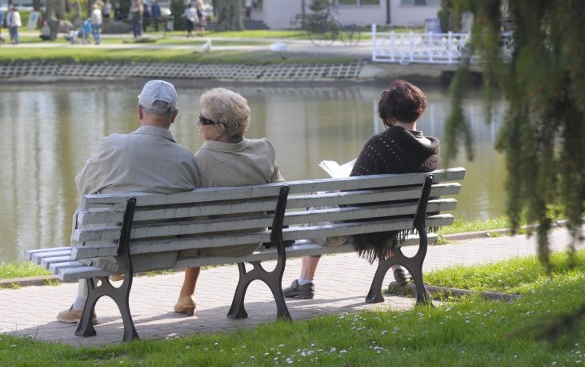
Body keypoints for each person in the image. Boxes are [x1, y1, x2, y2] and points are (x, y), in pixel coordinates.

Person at [56, 80, 201, 325]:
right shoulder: (186, 160)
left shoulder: (112, 146)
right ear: (174, 116)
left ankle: (82, 305)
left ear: (139, 111)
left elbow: (84, 185)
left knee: (86, 213)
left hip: (113, 252)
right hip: (165, 252)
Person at [283, 80, 440, 299]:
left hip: (369, 223)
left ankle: (305, 282)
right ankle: (398, 266)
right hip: (406, 221)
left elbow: (353, 190)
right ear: (419, 112)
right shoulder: (431, 149)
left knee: (318, 205)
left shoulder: (381, 144)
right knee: (380, 208)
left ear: (390, 115)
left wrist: (337, 193)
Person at [174, 87, 284, 316]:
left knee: (193, 225)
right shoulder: (264, 149)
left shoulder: (201, 160)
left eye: (203, 119)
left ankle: (187, 294)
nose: (197, 122)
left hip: (217, 244)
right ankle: (186, 294)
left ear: (219, 129)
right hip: (254, 239)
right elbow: (279, 196)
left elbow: (195, 217)